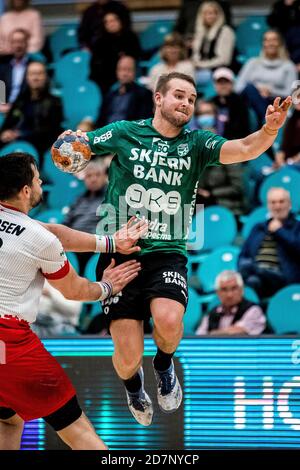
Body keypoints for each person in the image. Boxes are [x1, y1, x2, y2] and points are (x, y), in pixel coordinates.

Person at [55, 71, 291, 427]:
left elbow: (244, 148)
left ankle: (164, 367)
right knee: (127, 353)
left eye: (192, 99)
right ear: (159, 98)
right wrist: (68, 146)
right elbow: (79, 145)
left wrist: (270, 130)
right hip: (121, 251)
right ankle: (133, 386)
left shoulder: (196, 143)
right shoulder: (124, 133)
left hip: (168, 250)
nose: (186, 103)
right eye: (179, 95)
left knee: (168, 320)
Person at [0, 153, 147, 450]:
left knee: (7, 419)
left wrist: (109, 243)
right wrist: (107, 286)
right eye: (38, 179)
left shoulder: (34, 232)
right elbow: (75, 291)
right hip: (9, 343)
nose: (42, 183)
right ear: (26, 190)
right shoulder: (38, 239)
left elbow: (52, 232)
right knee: (76, 428)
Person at [238, 187, 300, 298]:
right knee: (252, 280)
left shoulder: (297, 227)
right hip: (258, 278)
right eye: (273, 202)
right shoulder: (258, 228)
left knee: (254, 273)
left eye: (281, 202)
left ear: (289, 204)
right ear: (268, 206)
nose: (277, 206)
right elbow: (244, 254)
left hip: (282, 278)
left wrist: (280, 231)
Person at [0, 61, 63, 161]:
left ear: (46, 76)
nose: (35, 78)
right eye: (32, 74)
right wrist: (5, 133)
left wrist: (20, 134)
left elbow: (51, 130)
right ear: (27, 77)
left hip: (39, 149)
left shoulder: (55, 102)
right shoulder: (20, 101)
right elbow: (8, 123)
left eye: (39, 73)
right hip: (13, 145)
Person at [235, 30, 297, 126]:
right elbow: (238, 87)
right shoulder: (252, 63)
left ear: (280, 43)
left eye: (274, 40)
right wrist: (258, 89)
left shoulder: (288, 66)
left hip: (275, 103)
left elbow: (290, 93)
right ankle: (266, 120)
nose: (270, 43)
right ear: (263, 43)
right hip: (249, 102)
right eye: (266, 40)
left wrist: (270, 91)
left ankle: (265, 121)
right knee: (249, 89)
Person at [63, 158, 108, 275]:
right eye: (89, 176)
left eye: (97, 175)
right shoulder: (79, 200)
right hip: (73, 244)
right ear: (84, 179)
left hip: (96, 245)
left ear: (104, 176)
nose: (93, 179)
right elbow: (65, 223)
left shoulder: (110, 197)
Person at [196, 270, 266, 335]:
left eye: (234, 288)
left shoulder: (254, 310)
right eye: (224, 289)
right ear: (217, 292)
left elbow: (239, 332)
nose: (229, 295)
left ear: (241, 290)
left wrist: (212, 334)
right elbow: (199, 337)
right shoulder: (212, 313)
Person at [90, 11, 141, 94]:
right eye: (107, 22)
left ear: (120, 21)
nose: (111, 24)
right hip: (106, 77)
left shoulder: (131, 37)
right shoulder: (100, 42)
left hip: (129, 74)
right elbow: (96, 65)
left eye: (113, 20)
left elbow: (136, 55)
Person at [97, 55, 153, 126]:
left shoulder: (144, 94)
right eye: (122, 69)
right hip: (107, 133)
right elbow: (101, 120)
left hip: (128, 133)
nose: (125, 74)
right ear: (117, 72)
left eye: (129, 70)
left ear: (135, 72)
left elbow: (143, 122)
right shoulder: (110, 95)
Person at [192, 1, 235, 86]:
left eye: (213, 13)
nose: (210, 16)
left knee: (186, 77)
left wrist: (201, 65)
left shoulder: (226, 31)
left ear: (219, 15)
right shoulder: (200, 32)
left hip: (217, 70)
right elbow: (196, 55)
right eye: (206, 13)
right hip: (201, 69)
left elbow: (224, 60)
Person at [210, 67, 250, 139]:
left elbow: (242, 129)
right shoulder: (211, 102)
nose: (223, 86)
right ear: (214, 85)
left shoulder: (240, 102)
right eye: (220, 82)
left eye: (226, 82)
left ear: (232, 84)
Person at [0, 28, 30, 114]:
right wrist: (2, 105)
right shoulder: (4, 66)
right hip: (5, 109)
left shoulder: (32, 65)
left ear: (26, 43)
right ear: (10, 44)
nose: (18, 45)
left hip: (24, 110)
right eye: (14, 42)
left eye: (21, 42)